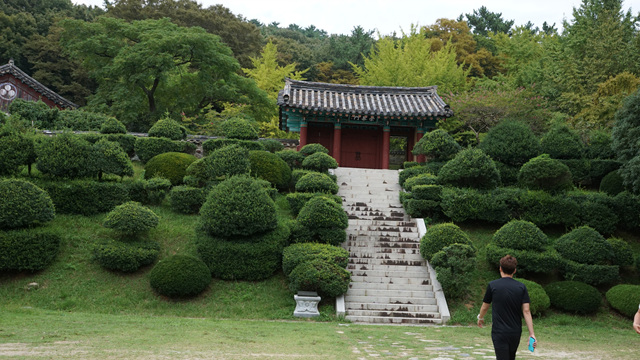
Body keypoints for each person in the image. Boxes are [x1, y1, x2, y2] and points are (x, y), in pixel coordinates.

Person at [477, 255, 537, 360]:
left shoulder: (493, 285)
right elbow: (526, 311)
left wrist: (480, 318)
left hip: (499, 332)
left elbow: (485, 307)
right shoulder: (521, 287)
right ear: (514, 270)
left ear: (500, 268)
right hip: (515, 332)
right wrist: (531, 334)